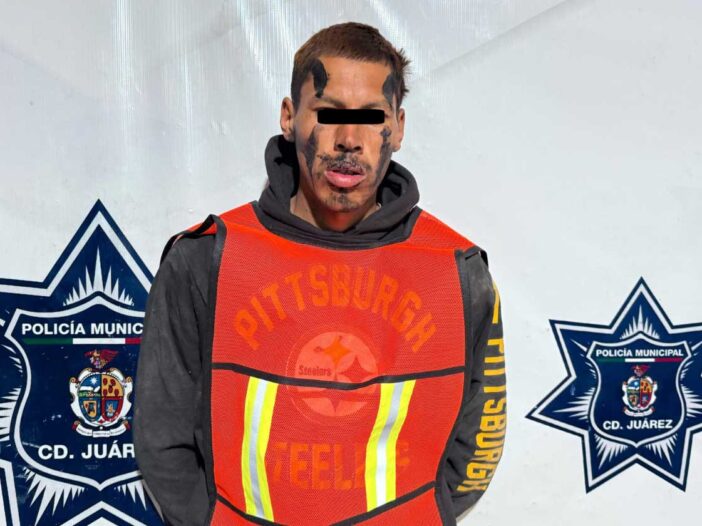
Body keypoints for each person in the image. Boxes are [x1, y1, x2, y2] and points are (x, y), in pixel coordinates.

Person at [134, 21, 506, 526]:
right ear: (290, 118)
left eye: (370, 117)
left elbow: (477, 448)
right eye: (328, 113)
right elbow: (162, 438)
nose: (349, 139)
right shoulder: (207, 258)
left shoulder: (457, 271)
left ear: (397, 127)